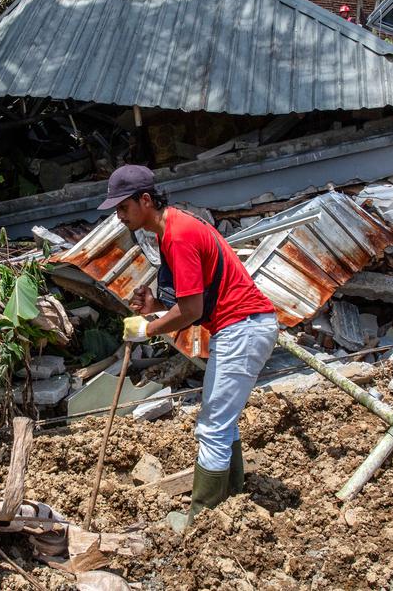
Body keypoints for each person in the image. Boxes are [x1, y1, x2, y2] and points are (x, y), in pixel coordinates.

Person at [98, 165, 277, 531]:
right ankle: (230, 499)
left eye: (123, 208)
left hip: (242, 328)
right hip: (242, 326)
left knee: (212, 427)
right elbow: (191, 299)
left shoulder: (177, 236)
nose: (119, 216)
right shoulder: (174, 228)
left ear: (145, 200)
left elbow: (192, 311)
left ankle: (203, 519)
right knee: (223, 423)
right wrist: (155, 309)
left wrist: (148, 329)